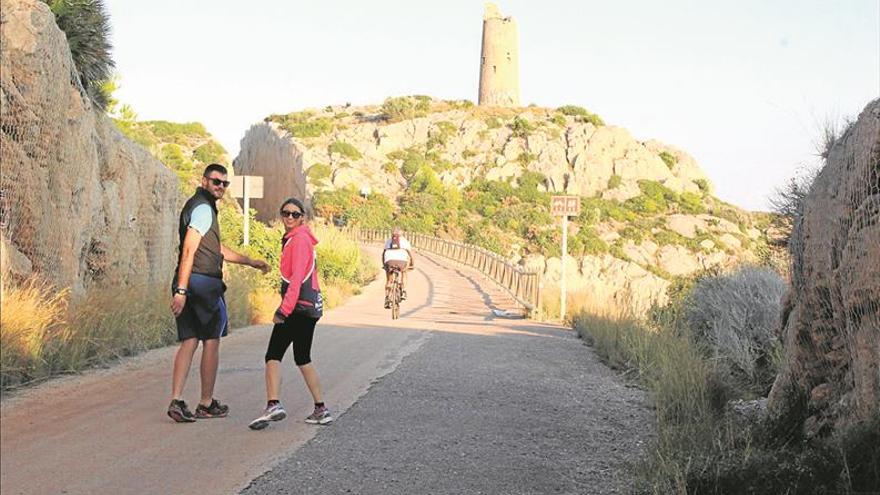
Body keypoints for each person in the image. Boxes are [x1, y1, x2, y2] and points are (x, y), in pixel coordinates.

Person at [167, 164, 270, 423]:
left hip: (189, 282)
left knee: (189, 340)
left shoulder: (199, 206)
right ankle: (206, 402)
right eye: (216, 181)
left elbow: (215, 248)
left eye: (225, 183)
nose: (220, 187)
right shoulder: (202, 208)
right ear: (204, 181)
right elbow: (189, 251)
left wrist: (249, 261)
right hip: (203, 285)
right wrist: (181, 290)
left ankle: (177, 400)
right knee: (211, 341)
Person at [248, 198, 333, 430]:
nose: (290, 218)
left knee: (273, 354)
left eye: (295, 214)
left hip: (297, 307)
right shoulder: (299, 238)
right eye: (286, 213)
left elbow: (296, 280)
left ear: (302, 217)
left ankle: (273, 404)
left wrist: (283, 310)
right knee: (302, 357)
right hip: (309, 308)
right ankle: (321, 409)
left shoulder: (299, 240)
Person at [382, 227, 414, 309]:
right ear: (401, 234)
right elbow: (410, 255)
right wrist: (411, 264)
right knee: (404, 273)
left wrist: (385, 265)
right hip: (402, 262)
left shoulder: (388, 241)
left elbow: (383, 254)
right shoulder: (405, 241)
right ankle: (403, 291)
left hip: (389, 261)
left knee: (389, 280)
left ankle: (387, 298)